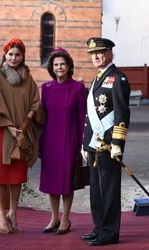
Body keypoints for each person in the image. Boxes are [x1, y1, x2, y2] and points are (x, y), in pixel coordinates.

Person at [0, 38, 44, 234]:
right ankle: (1, 214)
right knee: (1, 175)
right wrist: (9, 127)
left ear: (22, 56)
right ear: (5, 55)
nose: (14, 58)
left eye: (17, 54)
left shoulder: (28, 77)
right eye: (10, 54)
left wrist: (25, 124)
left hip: (23, 134)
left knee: (18, 176)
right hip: (3, 132)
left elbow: (36, 103)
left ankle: (13, 213)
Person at [80, 37, 131, 246]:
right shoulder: (96, 79)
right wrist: (85, 144)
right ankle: (99, 227)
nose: (96, 57)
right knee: (96, 189)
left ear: (111, 54)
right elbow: (89, 115)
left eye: (100, 52)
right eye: (93, 54)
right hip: (94, 143)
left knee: (108, 189)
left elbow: (122, 113)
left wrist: (118, 143)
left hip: (109, 145)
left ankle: (110, 232)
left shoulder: (118, 78)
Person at [39, 47, 86, 235]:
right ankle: (53, 217)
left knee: (67, 181)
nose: (59, 67)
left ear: (68, 66)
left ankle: (66, 218)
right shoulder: (46, 88)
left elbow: (83, 115)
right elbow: (43, 116)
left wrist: (83, 142)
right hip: (50, 139)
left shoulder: (78, 87)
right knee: (51, 181)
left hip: (70, 139)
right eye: (56, 64)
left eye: (62, 64)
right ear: (52, 67)